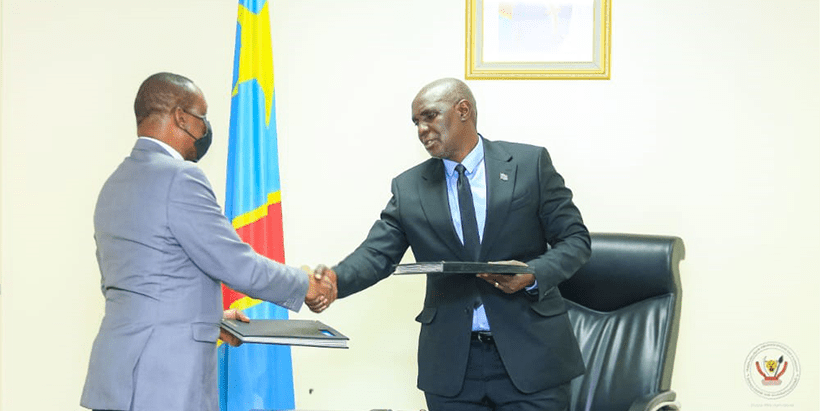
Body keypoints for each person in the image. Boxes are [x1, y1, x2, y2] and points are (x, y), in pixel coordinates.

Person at [317, 78, 590, 411]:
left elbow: (575, 240)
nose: (422, 129)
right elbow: (377, 254)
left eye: (430, 115)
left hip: (532, 358)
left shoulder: (529, 165)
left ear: (464, 110)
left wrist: (533, 274)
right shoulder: (410, 188)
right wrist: (333, 280)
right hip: (452, 368)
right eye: (416, 122)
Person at [80, 72, 335, 411]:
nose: (204, 130)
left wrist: (204, 317)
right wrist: (305, 283)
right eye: (202, 118)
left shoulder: (113, 185)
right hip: (164, 383)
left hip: (115, 377)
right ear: (181, 117)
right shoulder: (181, 176)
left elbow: (139, 283)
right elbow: (236, 264)